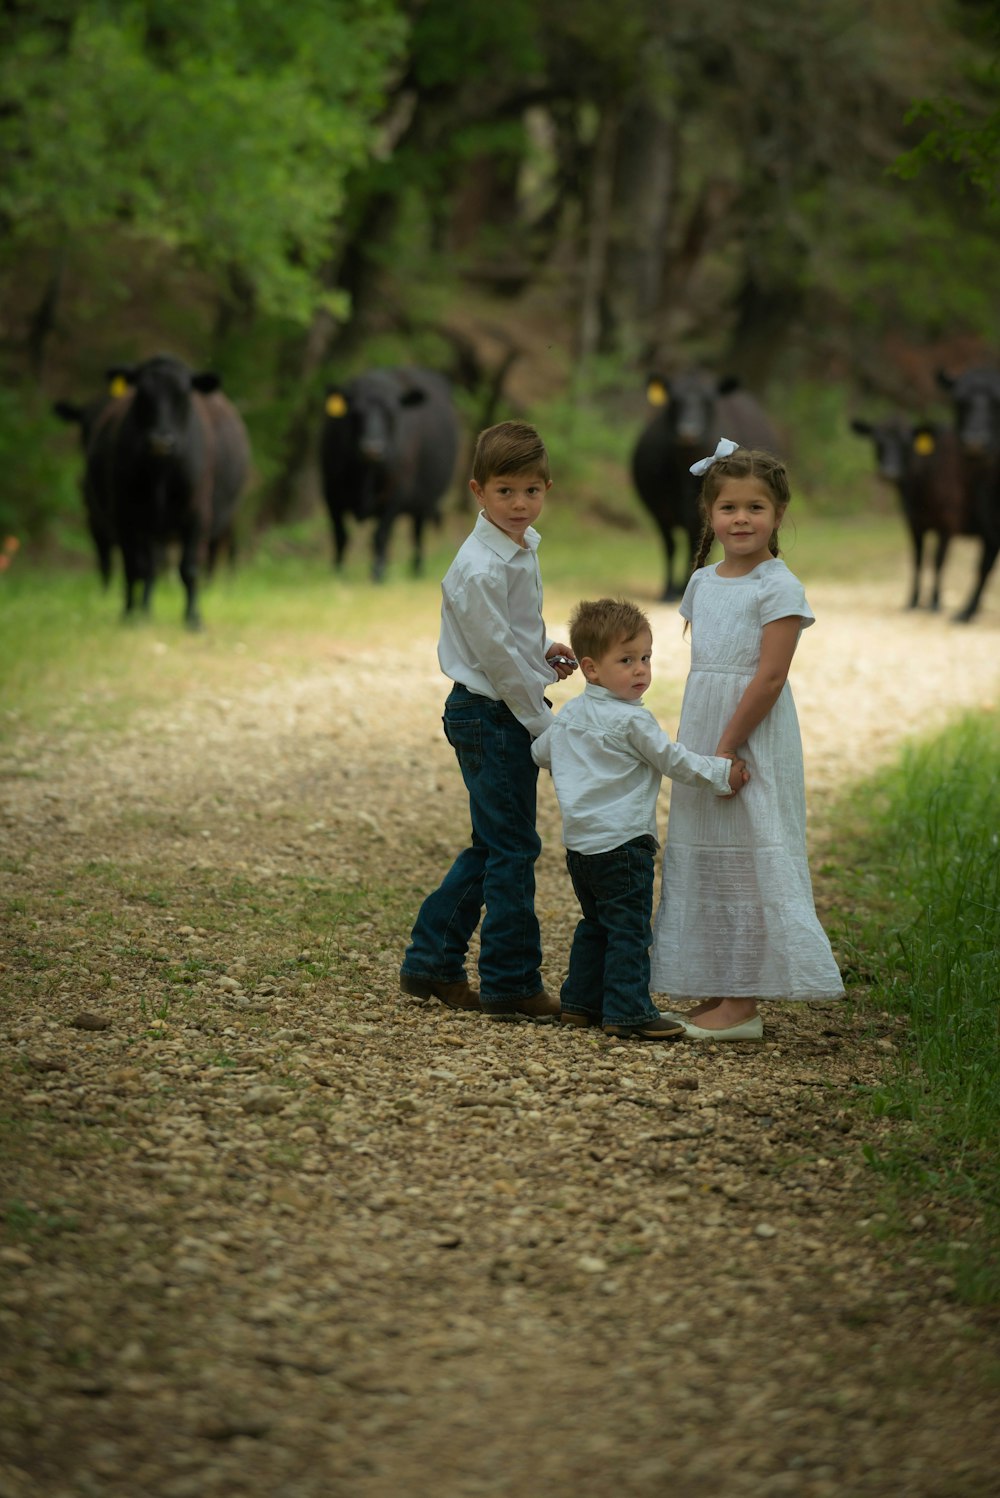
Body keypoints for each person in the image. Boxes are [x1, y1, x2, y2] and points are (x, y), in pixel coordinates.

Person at [649, 438, 845, 1040]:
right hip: (708, 727)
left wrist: (728, 746)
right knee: (710, 851)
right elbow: (701, 665)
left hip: (748, 734)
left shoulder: (777, 585)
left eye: (755, 508)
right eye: (729, 508)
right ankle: (720, 987)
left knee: (752, 852)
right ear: (709, 515)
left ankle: (744, 1001)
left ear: (778, 515)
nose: (741, 519)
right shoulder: (704, 582)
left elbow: (769, 676)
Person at [399, 420, 578, 1019]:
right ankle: (510, 982)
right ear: (478, 491)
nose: (519, 503)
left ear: (547, 487)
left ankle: (431, 962)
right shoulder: (478, 566)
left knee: (496, 843)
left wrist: (545, 650)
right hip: (489, 713)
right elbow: (497, 660)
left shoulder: (520, 547)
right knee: (513, 849)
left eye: (531, 490)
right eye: (506, 491)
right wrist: (542, 724)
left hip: (503, 704)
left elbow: (512, 636)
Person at [531, 598, 748, 1039]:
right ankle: (628, 1011)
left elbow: (540, 753)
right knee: (629, 930)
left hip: (581, 846)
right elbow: (674, 761)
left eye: (646, 658)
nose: (640, 670)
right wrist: (723, 774)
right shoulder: (634, 722)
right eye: (626, 660)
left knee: (595, 925)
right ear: (591, 669)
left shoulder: (571, 714)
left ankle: (580, 1002)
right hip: (624, 843)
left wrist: (578, 757)